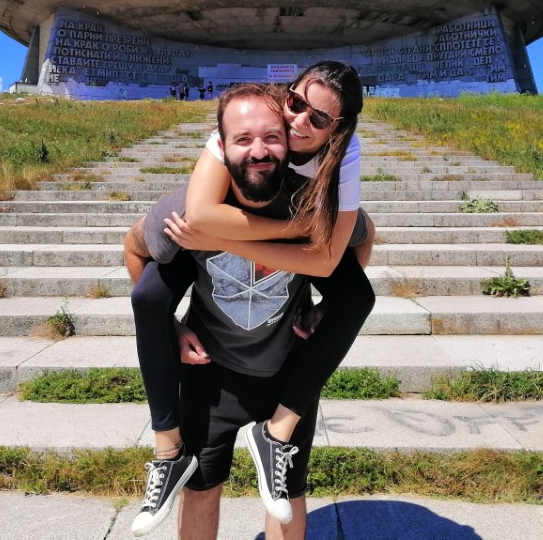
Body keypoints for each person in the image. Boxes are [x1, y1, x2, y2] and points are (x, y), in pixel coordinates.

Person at [125, 61, 375, 532]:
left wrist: (325, 302)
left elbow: (360, 238)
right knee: (201, 488)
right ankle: (168, 451)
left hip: (288, 369)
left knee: (287, 497)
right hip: (210, 371)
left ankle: (274, 433)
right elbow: (137, 249)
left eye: (317, 119)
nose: (298, 122)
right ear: (224, 146)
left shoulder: (318, 197)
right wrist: (171, 329)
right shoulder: (188, 206)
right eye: (295, 105)